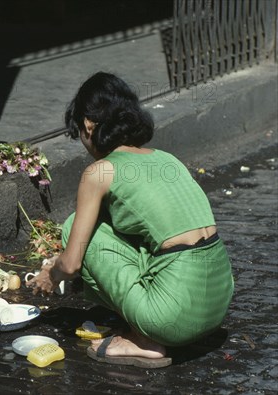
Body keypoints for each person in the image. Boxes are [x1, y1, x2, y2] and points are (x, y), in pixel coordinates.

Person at [26, 72, 234, 368]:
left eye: (81, 135)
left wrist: (52, 274)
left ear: (88, 124)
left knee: (75, 226)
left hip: (173, 319)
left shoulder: (100, 172)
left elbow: (71, 264)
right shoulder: (167, 159)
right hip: (218, 304)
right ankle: (154, 321)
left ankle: (145, 339)